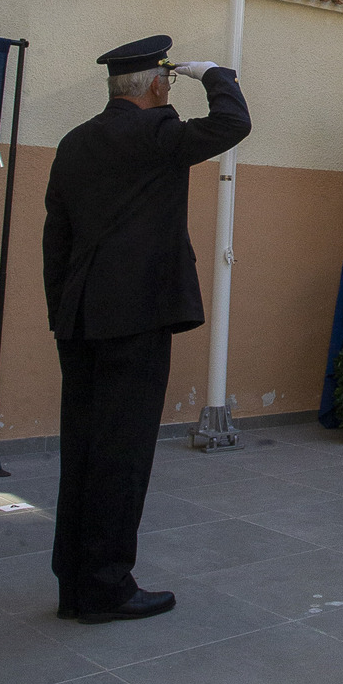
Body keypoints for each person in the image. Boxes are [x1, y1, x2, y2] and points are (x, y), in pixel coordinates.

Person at [43, 35, 251, 623]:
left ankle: (74, 584)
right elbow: (232, 122)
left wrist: (61, 309)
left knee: (82, 452)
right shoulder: (158, 135)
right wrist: (215, 74)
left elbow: (55, 237)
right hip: (135, 319)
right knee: (122, 455)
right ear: (156, 86)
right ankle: (107, 587)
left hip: (80, 319)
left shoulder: (75, 141)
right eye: (167, 82)